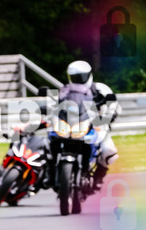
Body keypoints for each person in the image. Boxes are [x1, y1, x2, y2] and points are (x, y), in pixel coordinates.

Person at [51, 60, 120, 190]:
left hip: (95, 126)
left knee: (109, 151)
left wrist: (108, 115)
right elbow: (55, 107)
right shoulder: (65, 90)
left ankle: (98, 177)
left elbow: (113, 107)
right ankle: (53, 172)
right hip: (70, 126)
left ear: (88, 75)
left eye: (80, 77)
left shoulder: (100, 88)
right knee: (49, 141)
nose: (78, 80)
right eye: (75, 77)